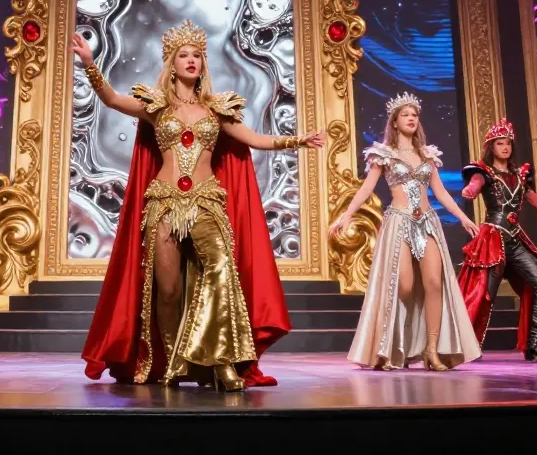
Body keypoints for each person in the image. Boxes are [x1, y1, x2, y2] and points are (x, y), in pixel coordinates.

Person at [78, 20, 312, 392]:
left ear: (203, 64)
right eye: (183, 55)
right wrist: (90, 64)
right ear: (172, 64)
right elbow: (111, 99)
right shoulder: (156, 106)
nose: (191, 60)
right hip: (164, 203)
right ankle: (174, 362)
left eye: (197, 56)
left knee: (221, 271)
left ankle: (221, 361)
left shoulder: (217, 109)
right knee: (168, 289)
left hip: (206, 202)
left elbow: (254, 139)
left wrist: (297, 140)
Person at [330, 92, 482, 371]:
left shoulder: (427, 154)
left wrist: (462, 217)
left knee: (434, 283)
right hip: (399, 222)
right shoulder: (383, 154)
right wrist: (347, 215)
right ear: (395, 121)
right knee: (404, 286)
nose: (411, 118)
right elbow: (366, 188)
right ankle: (392, 346)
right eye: (405, 115)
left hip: (427, 222)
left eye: (415, 115)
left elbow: (440, 192)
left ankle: (431, 350)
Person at [456, 118, 537, 361]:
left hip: (514, 238)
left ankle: (533, 345)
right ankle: (467, 346)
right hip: (492, 239)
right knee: (484, 294)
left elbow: (533, 198)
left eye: (508, 143)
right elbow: (474, 185)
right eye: (499, 143)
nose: (505, 147)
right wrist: (469, 190)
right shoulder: (484, 172)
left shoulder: (519, 174)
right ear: (491, 147)